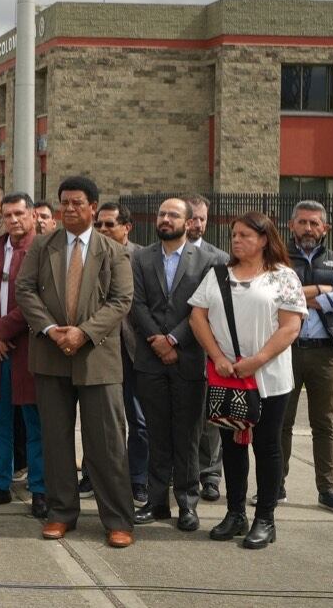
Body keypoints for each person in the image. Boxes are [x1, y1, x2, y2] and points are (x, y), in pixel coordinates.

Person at [16, 175, 135, 549]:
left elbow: (121, 300)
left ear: (93, 207)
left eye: (77, 203)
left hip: (97, 360)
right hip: (51, 356)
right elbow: (25, 289)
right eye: (64, 202)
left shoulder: (112, 251)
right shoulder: (42, 245)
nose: (69, 209)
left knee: (107, 444)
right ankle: (61, 513)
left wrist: (82, 333)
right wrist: (51, 330)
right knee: (56, 440)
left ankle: (117, 520)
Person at [189, 211, 304, 549]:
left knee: (266, 447)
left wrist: (257, 360)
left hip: (269, 379)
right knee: (231, 447)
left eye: (245, 236)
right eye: (234, 235)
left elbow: (290, 326)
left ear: (264, 239)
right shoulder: (218, 276)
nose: (237, 240)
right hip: (228, 378)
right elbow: (197, 317)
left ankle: (265, 518)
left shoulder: (283, 276)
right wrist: (218, 357)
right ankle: (235, 513)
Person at [129, 198, 222, 532]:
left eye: (173, 215)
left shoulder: (211, 260)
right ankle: (156, 503)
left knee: (187, 435)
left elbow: (205, 307)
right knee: (156, 433)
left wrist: (174, 340)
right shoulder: (141, 257)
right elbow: (136, 303)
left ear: (188, 221)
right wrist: (158, 339)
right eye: (162, 214)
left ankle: (187, 503)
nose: (165, 219)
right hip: (151, 359)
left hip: (189, 359)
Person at [280, 200, 333, 517]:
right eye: (303, 222)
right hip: (285, 350)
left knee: (323, 424)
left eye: (314, 223)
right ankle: (275, 487)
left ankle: (327, 490)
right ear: (291, 225)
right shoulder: (278, 259)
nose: (308, 228)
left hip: (325, 353)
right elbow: (274, 297)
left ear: (325, 228)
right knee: (280, 423)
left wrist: (299, 296)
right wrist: (319, 290)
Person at [0, 193, 46, 518]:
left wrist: (3, 329)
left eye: (19, 214)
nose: (14, 220)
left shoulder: (44, 250)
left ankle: (40, 488)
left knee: (35, 422)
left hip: (28, 348)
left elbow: (39, 300)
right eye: (8, 214)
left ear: (32, 215)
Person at [83, 202, 148, 505]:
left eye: (110, 224)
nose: (104, 230)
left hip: (135, 348)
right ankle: (91, 475)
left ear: (127, 227)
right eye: (99, 225)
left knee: (137, 419)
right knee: (97, 418)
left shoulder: (142, 258)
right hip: (99, 346)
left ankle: (137, 479)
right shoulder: (87, 256)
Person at [185, 192, 227, 502]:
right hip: (171, 348)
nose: (197, 224)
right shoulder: (156, 253)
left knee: (210, 418)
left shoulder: (219, 259)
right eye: (192, 218)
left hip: (207, 346)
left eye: (202, 218)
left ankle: (210, 475)